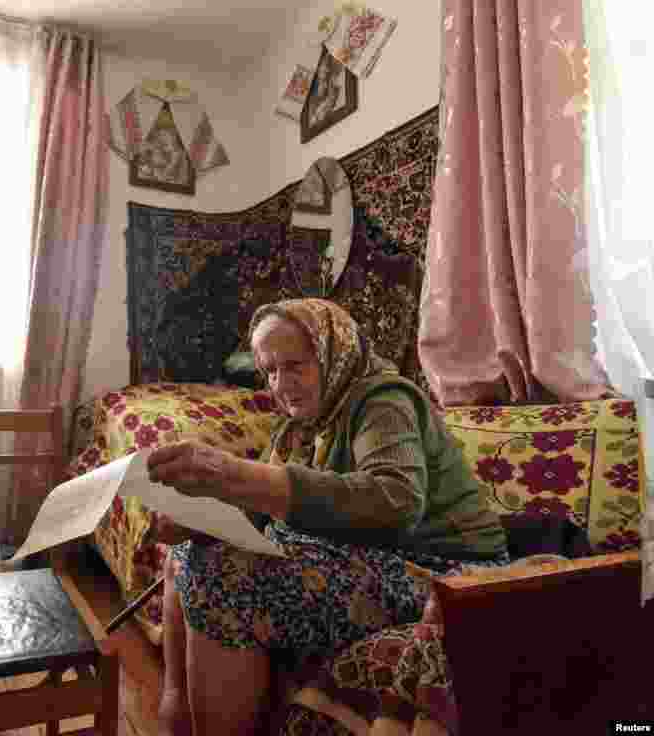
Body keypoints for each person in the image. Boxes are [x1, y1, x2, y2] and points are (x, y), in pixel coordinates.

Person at [146, 298, 510, 736]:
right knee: (189, 553)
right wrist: (194, 520)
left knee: (224, 577)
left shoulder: (382, 402)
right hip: (371, 557)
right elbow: (260, 510)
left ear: (334, 352)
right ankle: (175, 719)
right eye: (270, 371)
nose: (283, 384)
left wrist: (233, 472)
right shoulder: (302, 425)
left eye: (296, 365)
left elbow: (395, 501)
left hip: (442, 569)